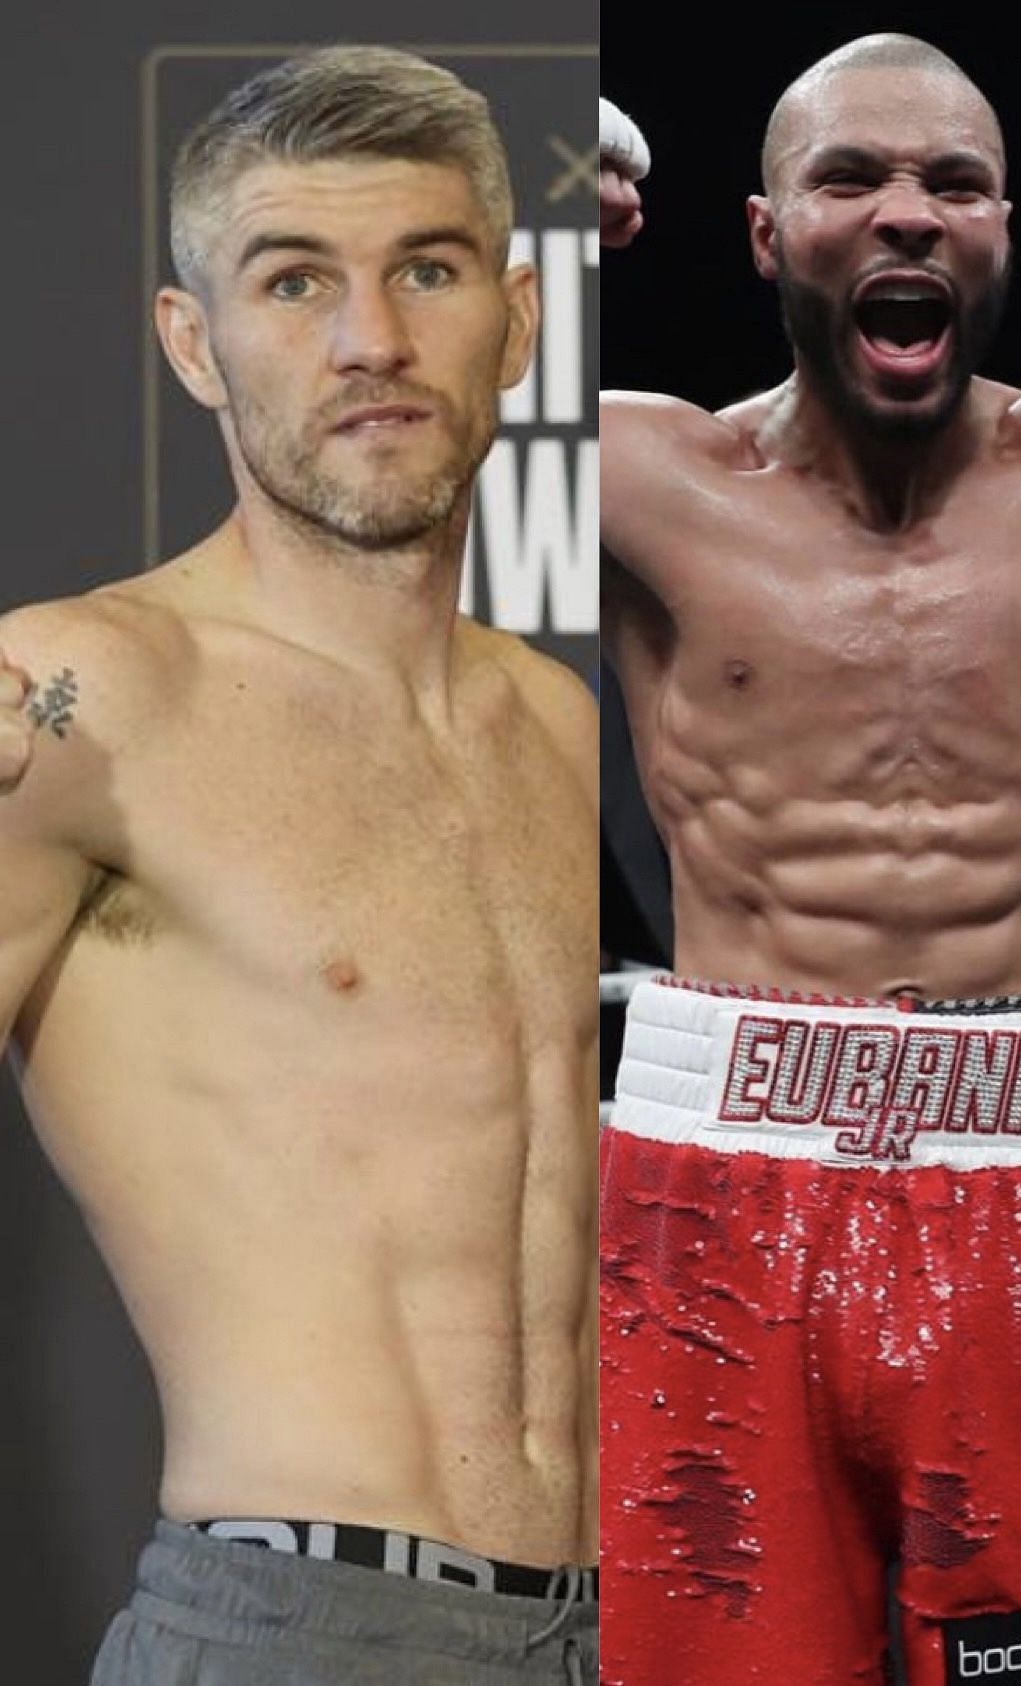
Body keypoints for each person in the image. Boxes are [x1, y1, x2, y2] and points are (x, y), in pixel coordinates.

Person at [598, 34, 1021, 1686]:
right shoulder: (638, 471)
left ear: (1010, 230)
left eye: (952, 182)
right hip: (722, 1189)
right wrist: (508, 230)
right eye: (850, 178)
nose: (907, 215)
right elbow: (384, 473)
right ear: (764, 233)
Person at [0, 47, 599, 1685]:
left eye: (427, 267)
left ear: (520, 317)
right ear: (193, 343)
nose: (372, 342)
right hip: (296, 1627)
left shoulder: (560, 726)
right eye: (292, 280)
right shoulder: (79, 700)